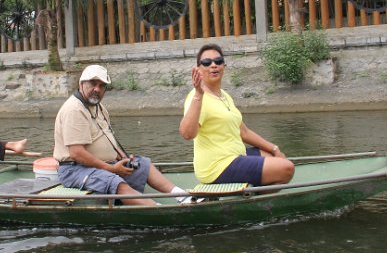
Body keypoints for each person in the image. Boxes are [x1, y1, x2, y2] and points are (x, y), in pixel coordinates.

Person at [53, 64, 191, 205]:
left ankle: (182, 196)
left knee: (142, 164)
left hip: (102, 164)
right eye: (93, 84)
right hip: (74, 169)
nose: (97, 89)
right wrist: (111, 168)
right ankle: (158, 209)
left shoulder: (99, 107)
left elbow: (109, 138)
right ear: (81, 84)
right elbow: (77, 153)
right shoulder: (74, 110)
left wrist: (123, 158)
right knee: (114, 180)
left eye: (102, 86)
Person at [179, 44, 295, 186]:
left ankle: (252, 187)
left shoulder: (225, 96)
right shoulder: (196, 97)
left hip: (235, 155)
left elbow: (244, 132)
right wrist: (198, 94)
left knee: (274, 157)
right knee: (287, 168)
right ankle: (256, 200)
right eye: (207, 62)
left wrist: (274, 148)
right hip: (217, 166)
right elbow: (187, 134)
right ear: (198, 69)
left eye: (218, 61)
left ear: (224, 66)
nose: (213, 65)